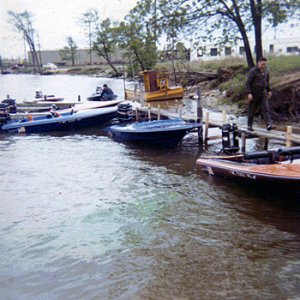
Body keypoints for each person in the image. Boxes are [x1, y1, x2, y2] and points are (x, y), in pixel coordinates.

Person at [245, 57, 274, 131]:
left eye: (265, 64)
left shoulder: (266, 71)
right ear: (258, 63)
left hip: (263, 93)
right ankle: (249, 125)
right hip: (254, 93)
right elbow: (248, 83)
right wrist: (249, 93)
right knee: (252, 110)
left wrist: (269, 90)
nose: (263, 66)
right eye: (262, 64)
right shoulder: (253, 71)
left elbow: (267, 82)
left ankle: (269, 124)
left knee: (265, 108)